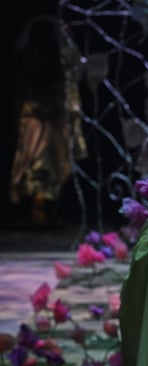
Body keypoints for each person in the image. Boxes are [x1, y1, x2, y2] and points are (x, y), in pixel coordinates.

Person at [9, 14, 86, 228]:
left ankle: (47, 211)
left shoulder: (57, 59)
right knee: (37, 164)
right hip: (38, 118)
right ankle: (37, 210)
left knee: (52, 164)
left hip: (51, 118)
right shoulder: (32, 58)